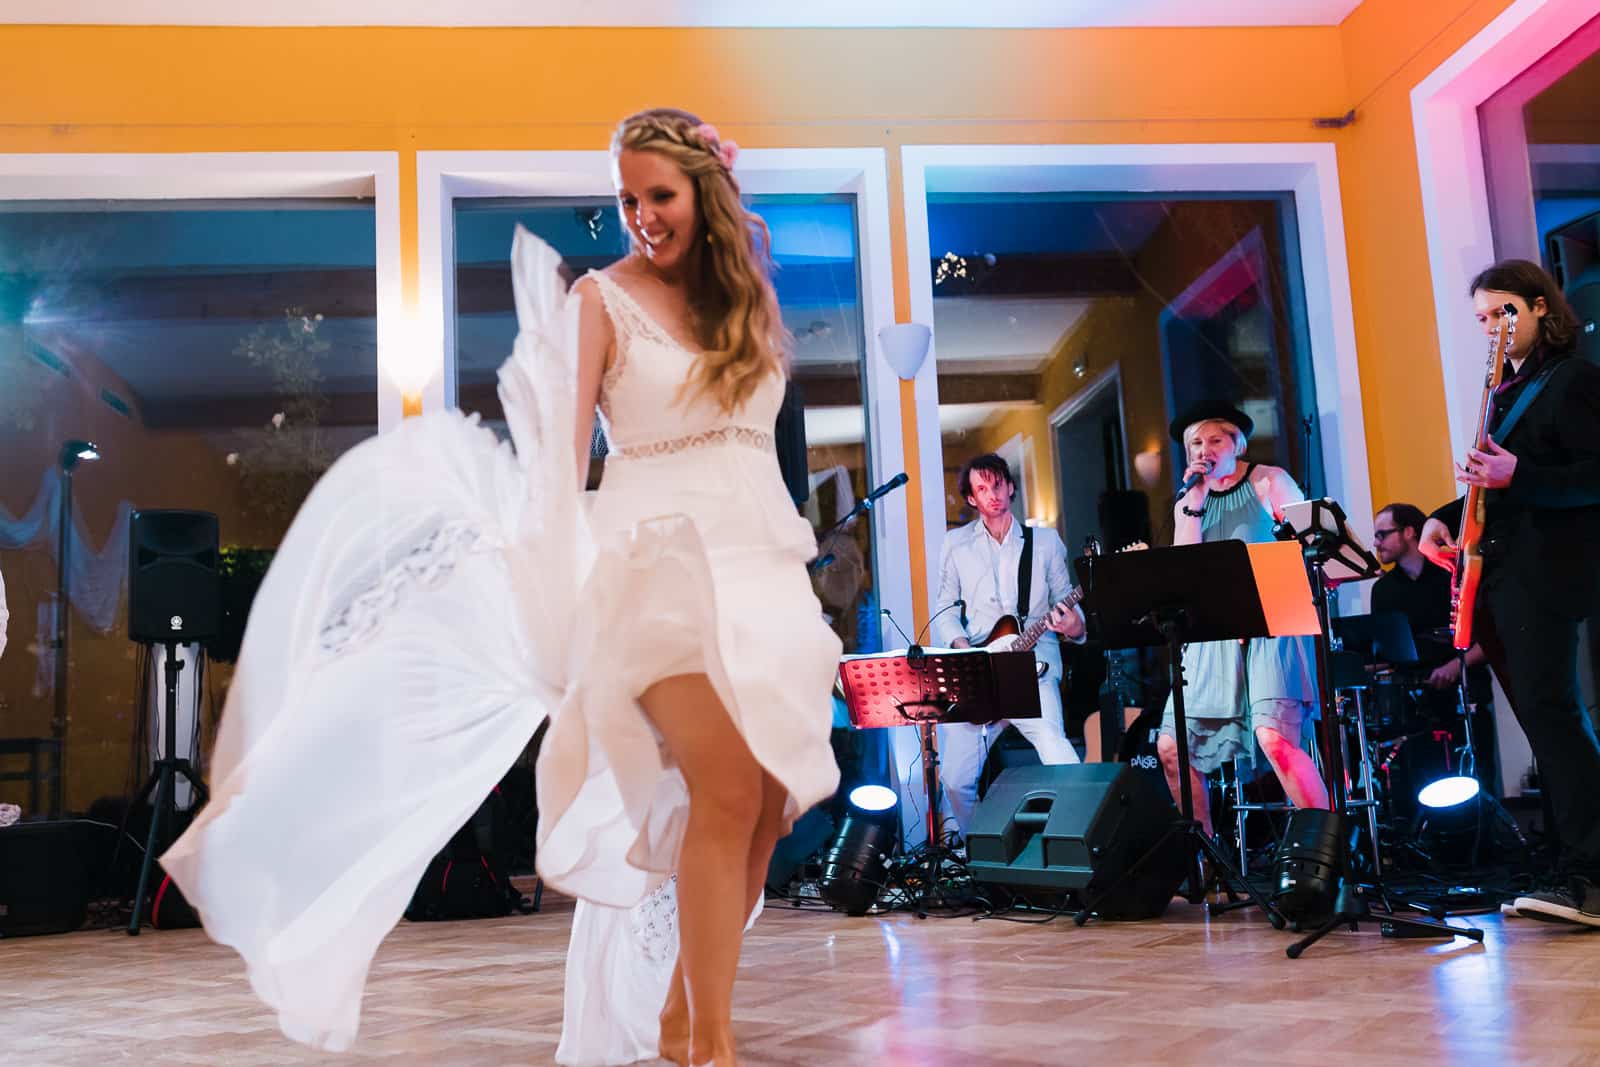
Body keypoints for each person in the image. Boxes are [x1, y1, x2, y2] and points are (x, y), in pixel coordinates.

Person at [162, 107, 842, 1067]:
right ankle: (713, 1047)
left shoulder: (748, 310)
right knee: (725, 788)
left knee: (768, 805)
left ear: (707, 193)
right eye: (627, 198)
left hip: (760, 574)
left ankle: (680, 1016)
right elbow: (559, 465)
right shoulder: (600, 301)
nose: (641, 215)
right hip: (652, 574)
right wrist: (545, 586)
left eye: (659, 195)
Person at [1416, 259, 1600, 927]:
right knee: (1544, 722)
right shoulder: (1506, 390)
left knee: (1554, 716)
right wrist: (1442, 515)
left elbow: (1589, 476)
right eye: (1483, 318)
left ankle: (1590, 873)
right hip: (1505, 570)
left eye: (1504, 312)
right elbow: (1496, 483)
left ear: (1540, 307)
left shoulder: (1573, 379)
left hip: (1549, 570)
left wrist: (1518, 475)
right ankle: (1566, 862)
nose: (1493, 325)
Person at [1157, 401, 1329, 836]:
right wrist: (1194, 504)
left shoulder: (1270, 481)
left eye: (1216, 440)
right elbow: (1183, 573)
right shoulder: (1188, 501)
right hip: (1213, 632)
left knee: (1276, 739)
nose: (1205, 450)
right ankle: (1206, 859)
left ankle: (1328, 852)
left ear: (1238, 445)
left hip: (1272, 624)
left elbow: (1311, 549)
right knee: (1171, 747)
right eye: (1196, 443)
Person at [923, 454, 1085, 841]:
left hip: (1034, 668)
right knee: (956, 780)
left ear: (1010, 487)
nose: (992, 494)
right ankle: (980, 849)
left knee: (1061, 758)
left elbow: (1070, 606)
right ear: (971, 499)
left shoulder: (1044, 542)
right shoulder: (956, 544)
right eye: (982, 489)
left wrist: (1072, 625)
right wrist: (964, 648)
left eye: (997, 485)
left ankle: (1076, 842)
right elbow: (945, 610)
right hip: (981, 672)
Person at [1370, 501, 1489, 692]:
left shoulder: (1453, 573)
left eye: (1381, 535)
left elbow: (1489, 637)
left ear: (1408, 532)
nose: (1376, 543)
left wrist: (1455, 666)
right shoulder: (1382, 590)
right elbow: (1385, 653)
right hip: (1412, 695)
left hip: (1467, 686)